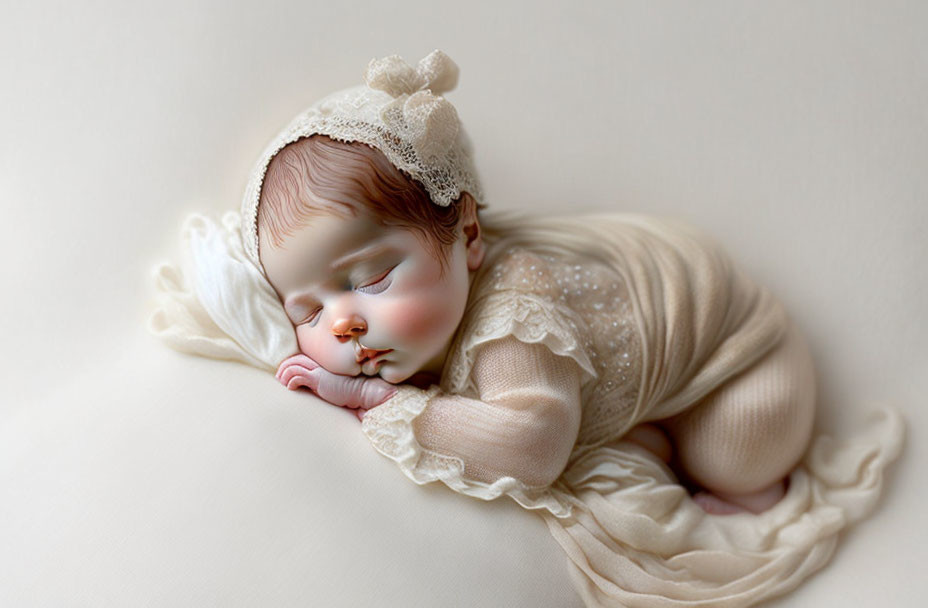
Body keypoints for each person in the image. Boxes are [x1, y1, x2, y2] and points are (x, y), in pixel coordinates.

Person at [152, 49, 903, 607]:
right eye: (306, 311)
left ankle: (746, 483)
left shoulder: (512, 314)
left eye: (370, 278)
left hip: (745, 366)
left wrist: (383, 403)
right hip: (665, 360)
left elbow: (535, 448)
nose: (343, 325)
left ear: (468, 237)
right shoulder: (440, 302)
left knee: (730, 455)